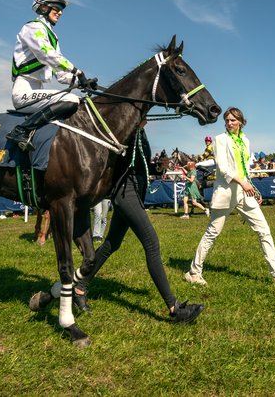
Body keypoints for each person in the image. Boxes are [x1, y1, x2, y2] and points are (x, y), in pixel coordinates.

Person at [73, 127, 203, 323]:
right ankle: (174, 307)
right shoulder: (125, 130)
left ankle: (80, 286)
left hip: (133, 192)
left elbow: (139, 166)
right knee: (151, 244)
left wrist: (158, 167)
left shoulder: (140, 132)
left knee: (111, 244)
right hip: (126, 193)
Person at [184, 107, 275, 287]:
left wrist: (252, 187)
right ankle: (194, 272)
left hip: (244, 193)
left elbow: (244, 168)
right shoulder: (220, 140)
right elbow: (223, 168)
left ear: (240, 121)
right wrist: (243, 183)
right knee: (212, 233)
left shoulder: (245, 141)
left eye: (233, 120)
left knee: (264, 230)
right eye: (227, 120)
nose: (229, 123)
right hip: (225, 193)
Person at [6, 0, 98, 152]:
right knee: (71, 100)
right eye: (56, 8)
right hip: (24, 92)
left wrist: (82, 82)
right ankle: (22, 130)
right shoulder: (33, 28)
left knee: (80, 101)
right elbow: (45, 54)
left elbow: (61, 74)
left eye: (61, 9)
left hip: (37, 91)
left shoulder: (53, 37)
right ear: (43, 7)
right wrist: (79, 72)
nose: (60, 12)